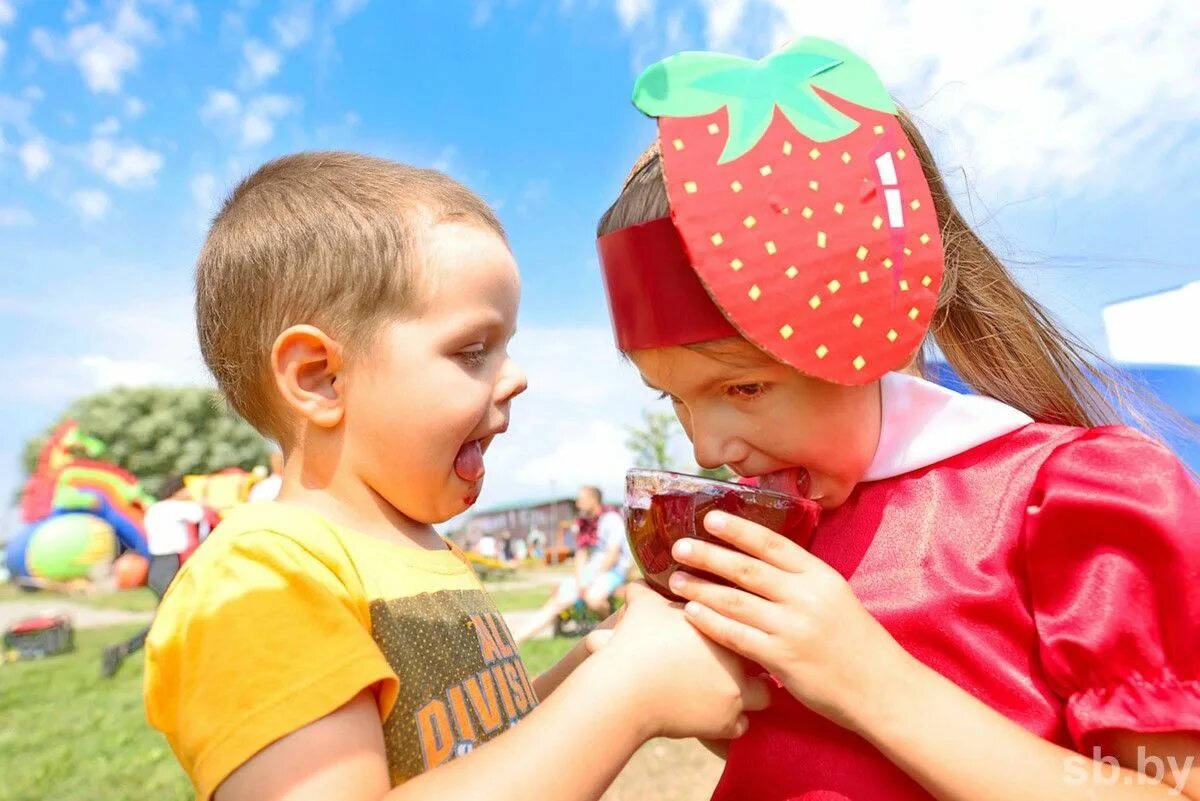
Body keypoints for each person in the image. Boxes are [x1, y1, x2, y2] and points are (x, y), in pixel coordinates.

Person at [595, 38, 1200, 801]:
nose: (708, 445)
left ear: (876, 326)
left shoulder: (1072, 498)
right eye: (672, 398)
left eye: (743, 388)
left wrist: (873, 684)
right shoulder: (792, 522)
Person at [144, 152, 769, 801]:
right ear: (320, 377)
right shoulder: (262, 580)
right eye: (473, 350)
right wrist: (624, 696)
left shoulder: (418, 552)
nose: (517, 375)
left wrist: (599, 660)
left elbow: (479, 744)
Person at [100, 475, 218, 678]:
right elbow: (204, 513)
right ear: (177, 491)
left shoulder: (155, 509)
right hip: (170, 566)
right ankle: (122, 650)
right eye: (185, 490)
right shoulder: (176, 508)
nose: (188, 494)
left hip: (156, 567)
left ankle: (175, 662)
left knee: (176, 619)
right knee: (173, 620)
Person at [512, 487, 632, 645]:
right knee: (558, 601)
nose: (578, 503)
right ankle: (514, 641)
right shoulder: (584, 522)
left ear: (594, 500)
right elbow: (581, 555)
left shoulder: (611, 519)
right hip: (593, 571)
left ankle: (616, 632)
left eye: (581, 499)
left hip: (613, 570)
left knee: (593, 598)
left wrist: (589, 581)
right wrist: (579, 580)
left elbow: (613, 555)